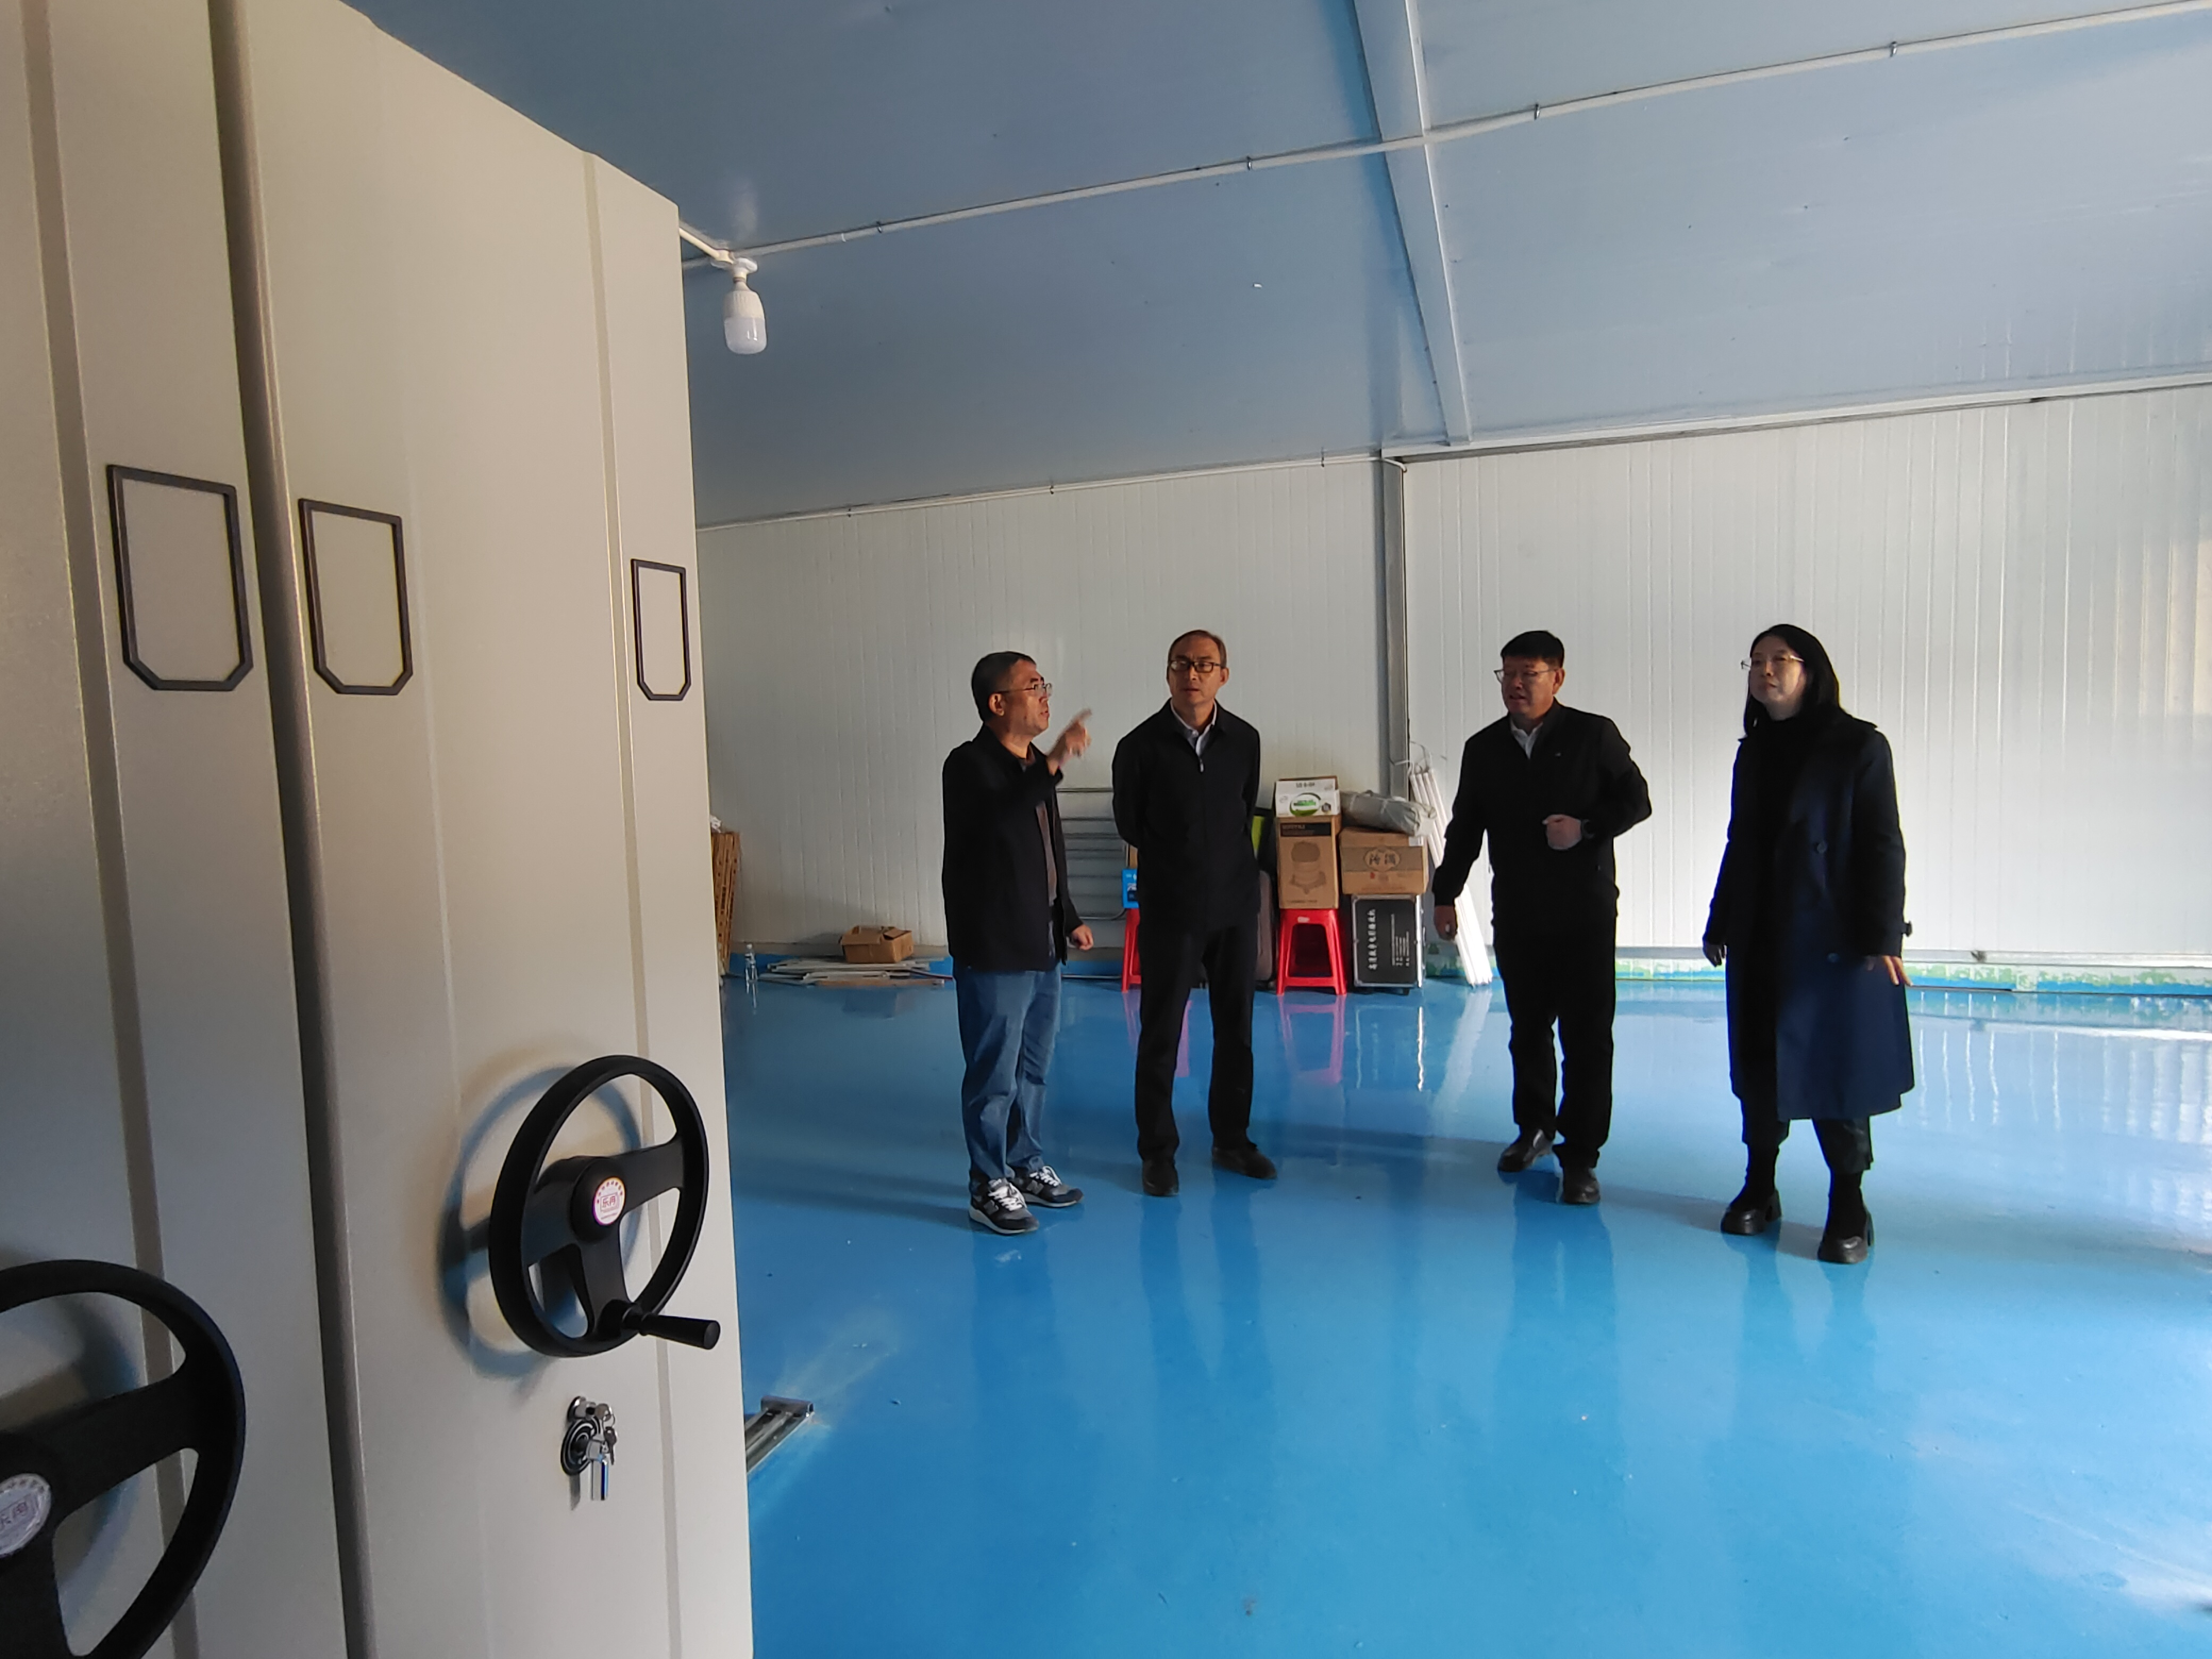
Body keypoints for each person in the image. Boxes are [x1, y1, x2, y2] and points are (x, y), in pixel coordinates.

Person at [1702, 625, 1911, 1265]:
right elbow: (1739, 840)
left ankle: (1847, 1201)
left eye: (1779, 660)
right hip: (1761, 931)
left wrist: (1881, 933)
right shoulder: (1753, 752)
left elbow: (1882, 843)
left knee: (1834, 1070)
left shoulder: (1858, 746)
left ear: (1810, 671)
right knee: (1759, 1065)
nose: (1764, 671)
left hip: (1830, 937)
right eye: (1754, 661)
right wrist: (1719, 917)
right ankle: (1759, 1186)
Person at [1433, 630, 1651, 1204]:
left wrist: (1585, 829)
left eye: (1528, 674)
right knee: (1527, 1031)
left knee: (1586, 1037)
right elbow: (1465, 827)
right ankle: (1533, 1128)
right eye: (1507, 674)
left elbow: (1637, 801)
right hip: (1519, 912)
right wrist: (1444, 893)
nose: (1515, 685)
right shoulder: (1485, 748)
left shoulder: (1593, 735)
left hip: (1584, 914)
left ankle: (1581, 1156)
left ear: (1557, 678)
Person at [1112, 630, 1273, 1197]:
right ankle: (1157, 1152)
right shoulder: (1139, 746)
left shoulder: (1244, 740)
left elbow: (1242, 809)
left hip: (1234, 908)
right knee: (1161, 1034)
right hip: (1171, 909)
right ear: (1168, 673)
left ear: (1223, 676)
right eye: (1182, 664)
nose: (1193, 675)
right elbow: (1130, 823)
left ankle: (1232, 1140)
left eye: (1205, 665)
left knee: (1236, 1031)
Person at [941, 651, 1095, 1235]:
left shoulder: (1033, 767)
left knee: (1033, 1068)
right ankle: (987, 1182)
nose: (1044, 695)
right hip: (995, 946)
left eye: (1043, 684)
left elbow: (1048, 852)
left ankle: (1025, 1164)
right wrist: (1054, 761)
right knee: (993, 1074)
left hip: (1042, 942)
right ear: (997, 702)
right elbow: (999, 818)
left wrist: (1068, 915)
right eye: (1032, 686)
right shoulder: (968, 765)